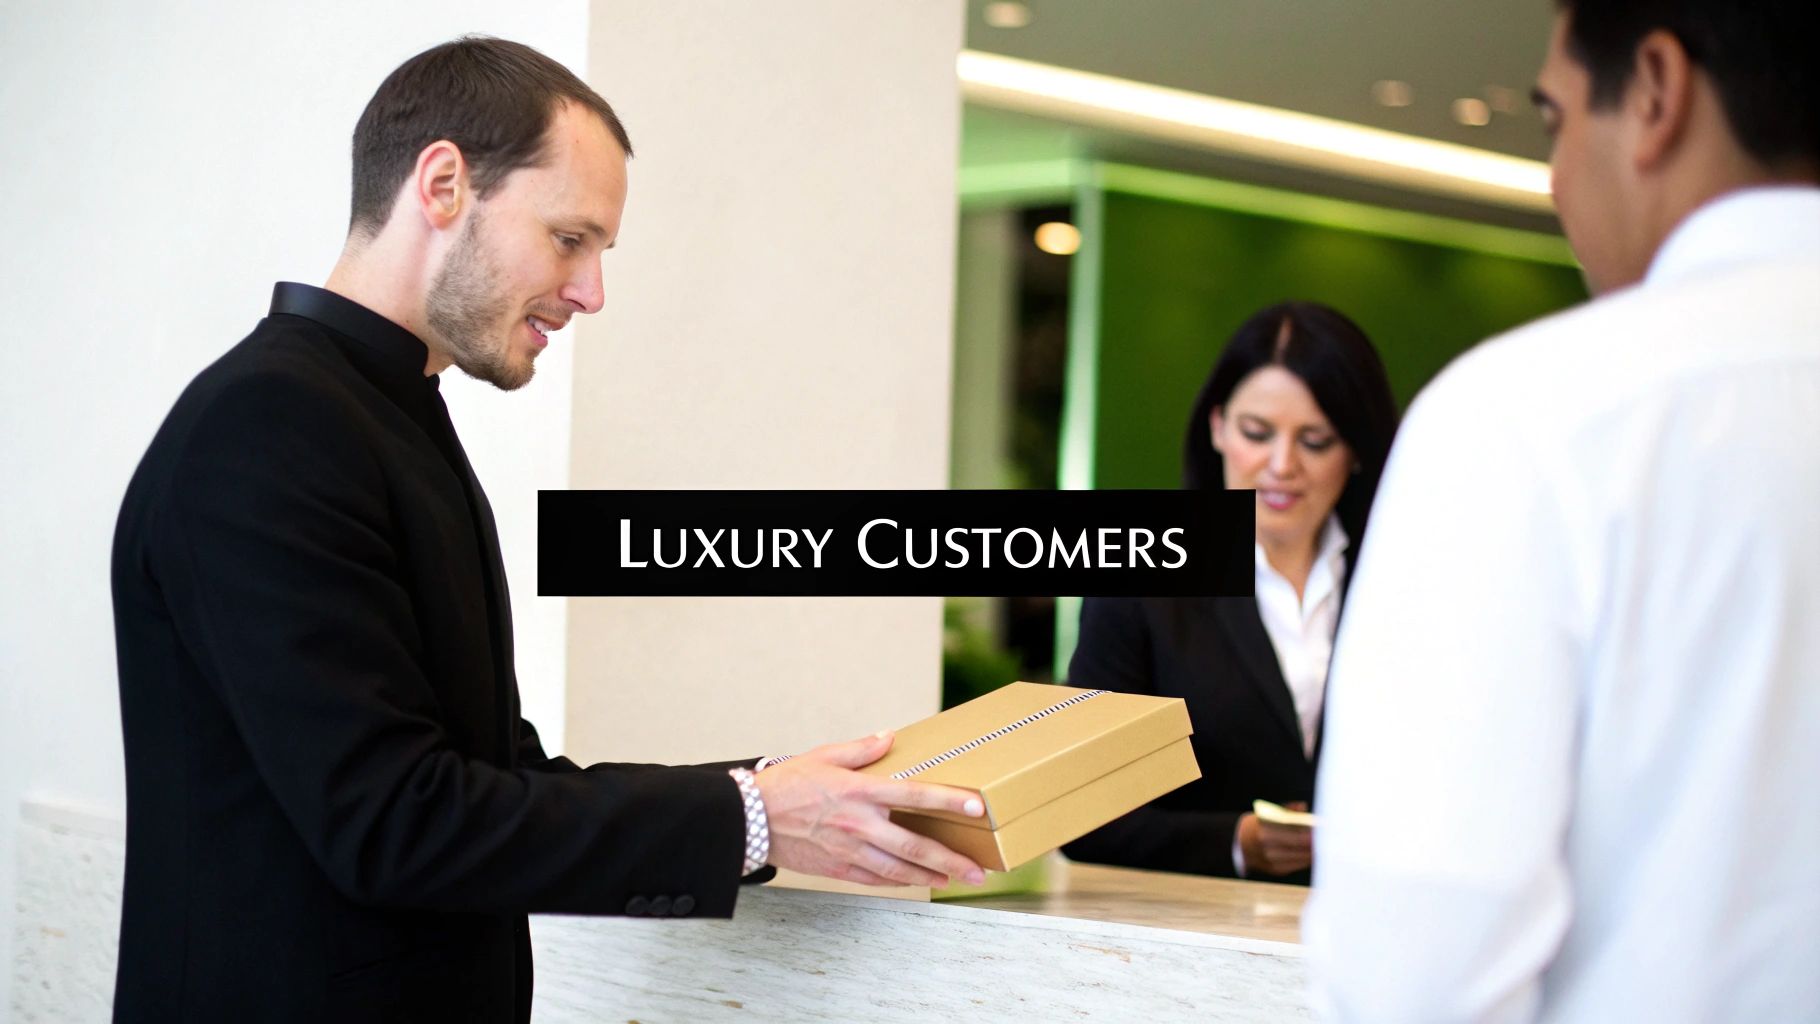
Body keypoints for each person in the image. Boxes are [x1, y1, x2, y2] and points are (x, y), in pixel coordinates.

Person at [109, 37, 986, 1023]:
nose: (590, 291)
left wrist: (771, 798)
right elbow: (393, 820)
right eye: (570, 238)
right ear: (442, 183)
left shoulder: (380, 417)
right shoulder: (269, 425)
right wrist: (751, 812)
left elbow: (491, 778)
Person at [1305, 1, 1820, 1019]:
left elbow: (1419, 964)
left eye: (1553, 120)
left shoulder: (1530, 417)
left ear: (1656, 91)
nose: (1553, 176)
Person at [1062, 301, 1399, 884]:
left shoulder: (1407, 578)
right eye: (1256, 433)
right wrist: (1238, 842)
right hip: (1206, 943)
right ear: (1217, 426)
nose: (1281, 464)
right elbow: (1082, 817)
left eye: (1316, 440)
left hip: (1382, 930)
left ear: (1357, 449)